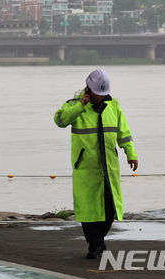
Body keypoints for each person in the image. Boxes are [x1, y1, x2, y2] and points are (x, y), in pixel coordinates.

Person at [53, 68, 138, 259]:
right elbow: (59, 120)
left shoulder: (113, 105)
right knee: (89, 211)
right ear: (88, 90)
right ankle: (95, 246)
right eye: (97, 94)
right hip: (86, 168)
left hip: (109, 166)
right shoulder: (74, 105)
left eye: (103, 94)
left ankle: (98, 242)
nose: (100, 97)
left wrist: (131, 154)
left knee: (109, 210)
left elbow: (124, 132)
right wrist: (79, 107)